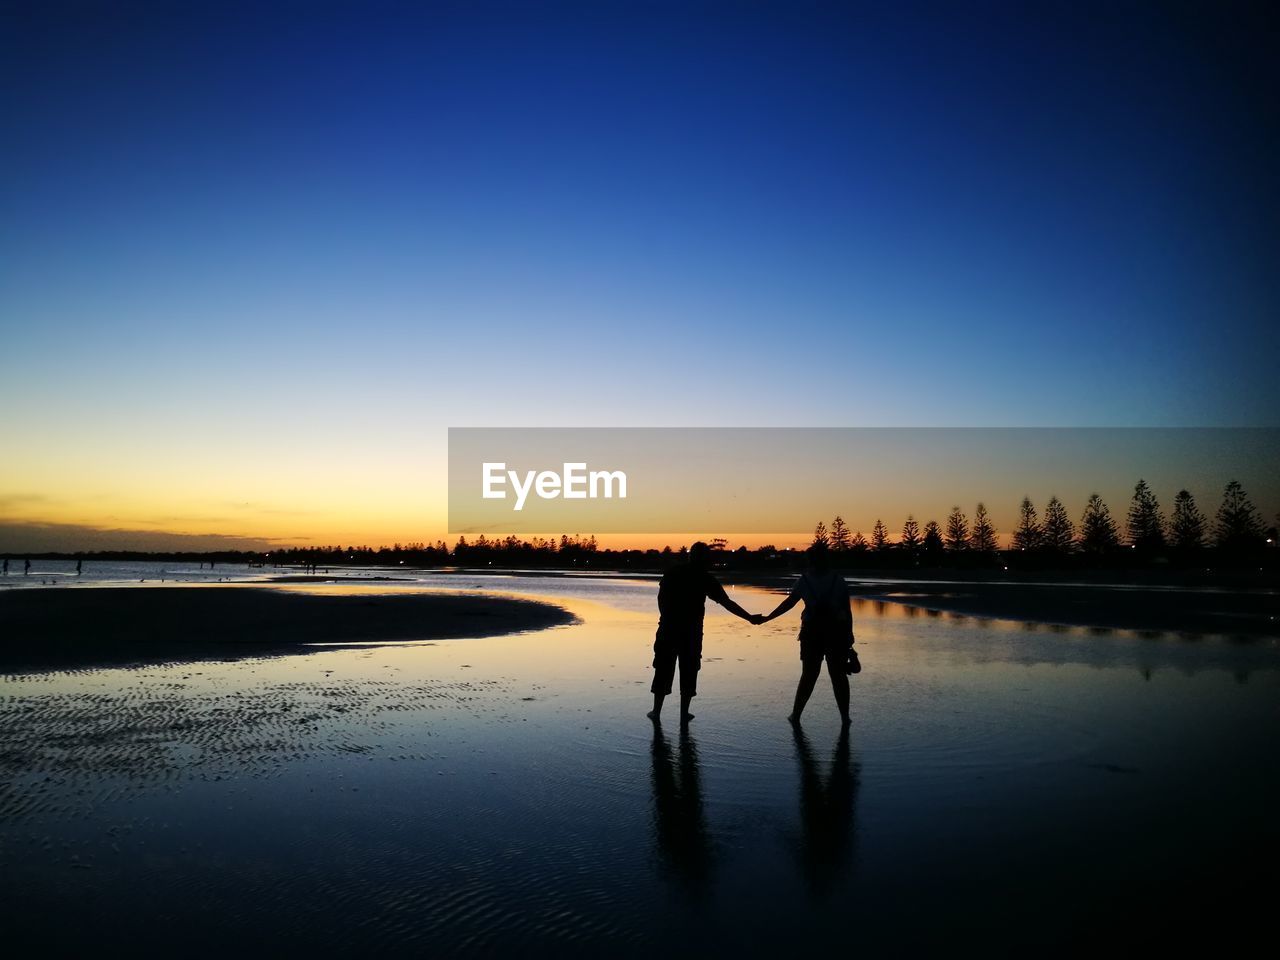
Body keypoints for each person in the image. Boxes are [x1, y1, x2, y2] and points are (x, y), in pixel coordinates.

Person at [649, 541, 759, 724]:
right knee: (688, 670)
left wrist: (667, 617)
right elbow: (726, 602)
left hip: (669, 629)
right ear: (705, 558)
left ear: (691, 555)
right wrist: (749, 617)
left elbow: (661, 598)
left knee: (663, 668)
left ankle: (656, 711)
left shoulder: (675, 572)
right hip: (691, 632)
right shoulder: (705, 577)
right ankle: (683, 713)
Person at [760, 541, 857, 726]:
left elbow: (789, 604)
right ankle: (845, 717)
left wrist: (767, 618)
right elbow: (847, 609)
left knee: (809, 675)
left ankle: (796, 715)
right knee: (838, 676)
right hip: (836, 631)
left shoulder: (804, 581)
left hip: (811, 632)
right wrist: (850, 634)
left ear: (810, 560)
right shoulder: (838, 580)